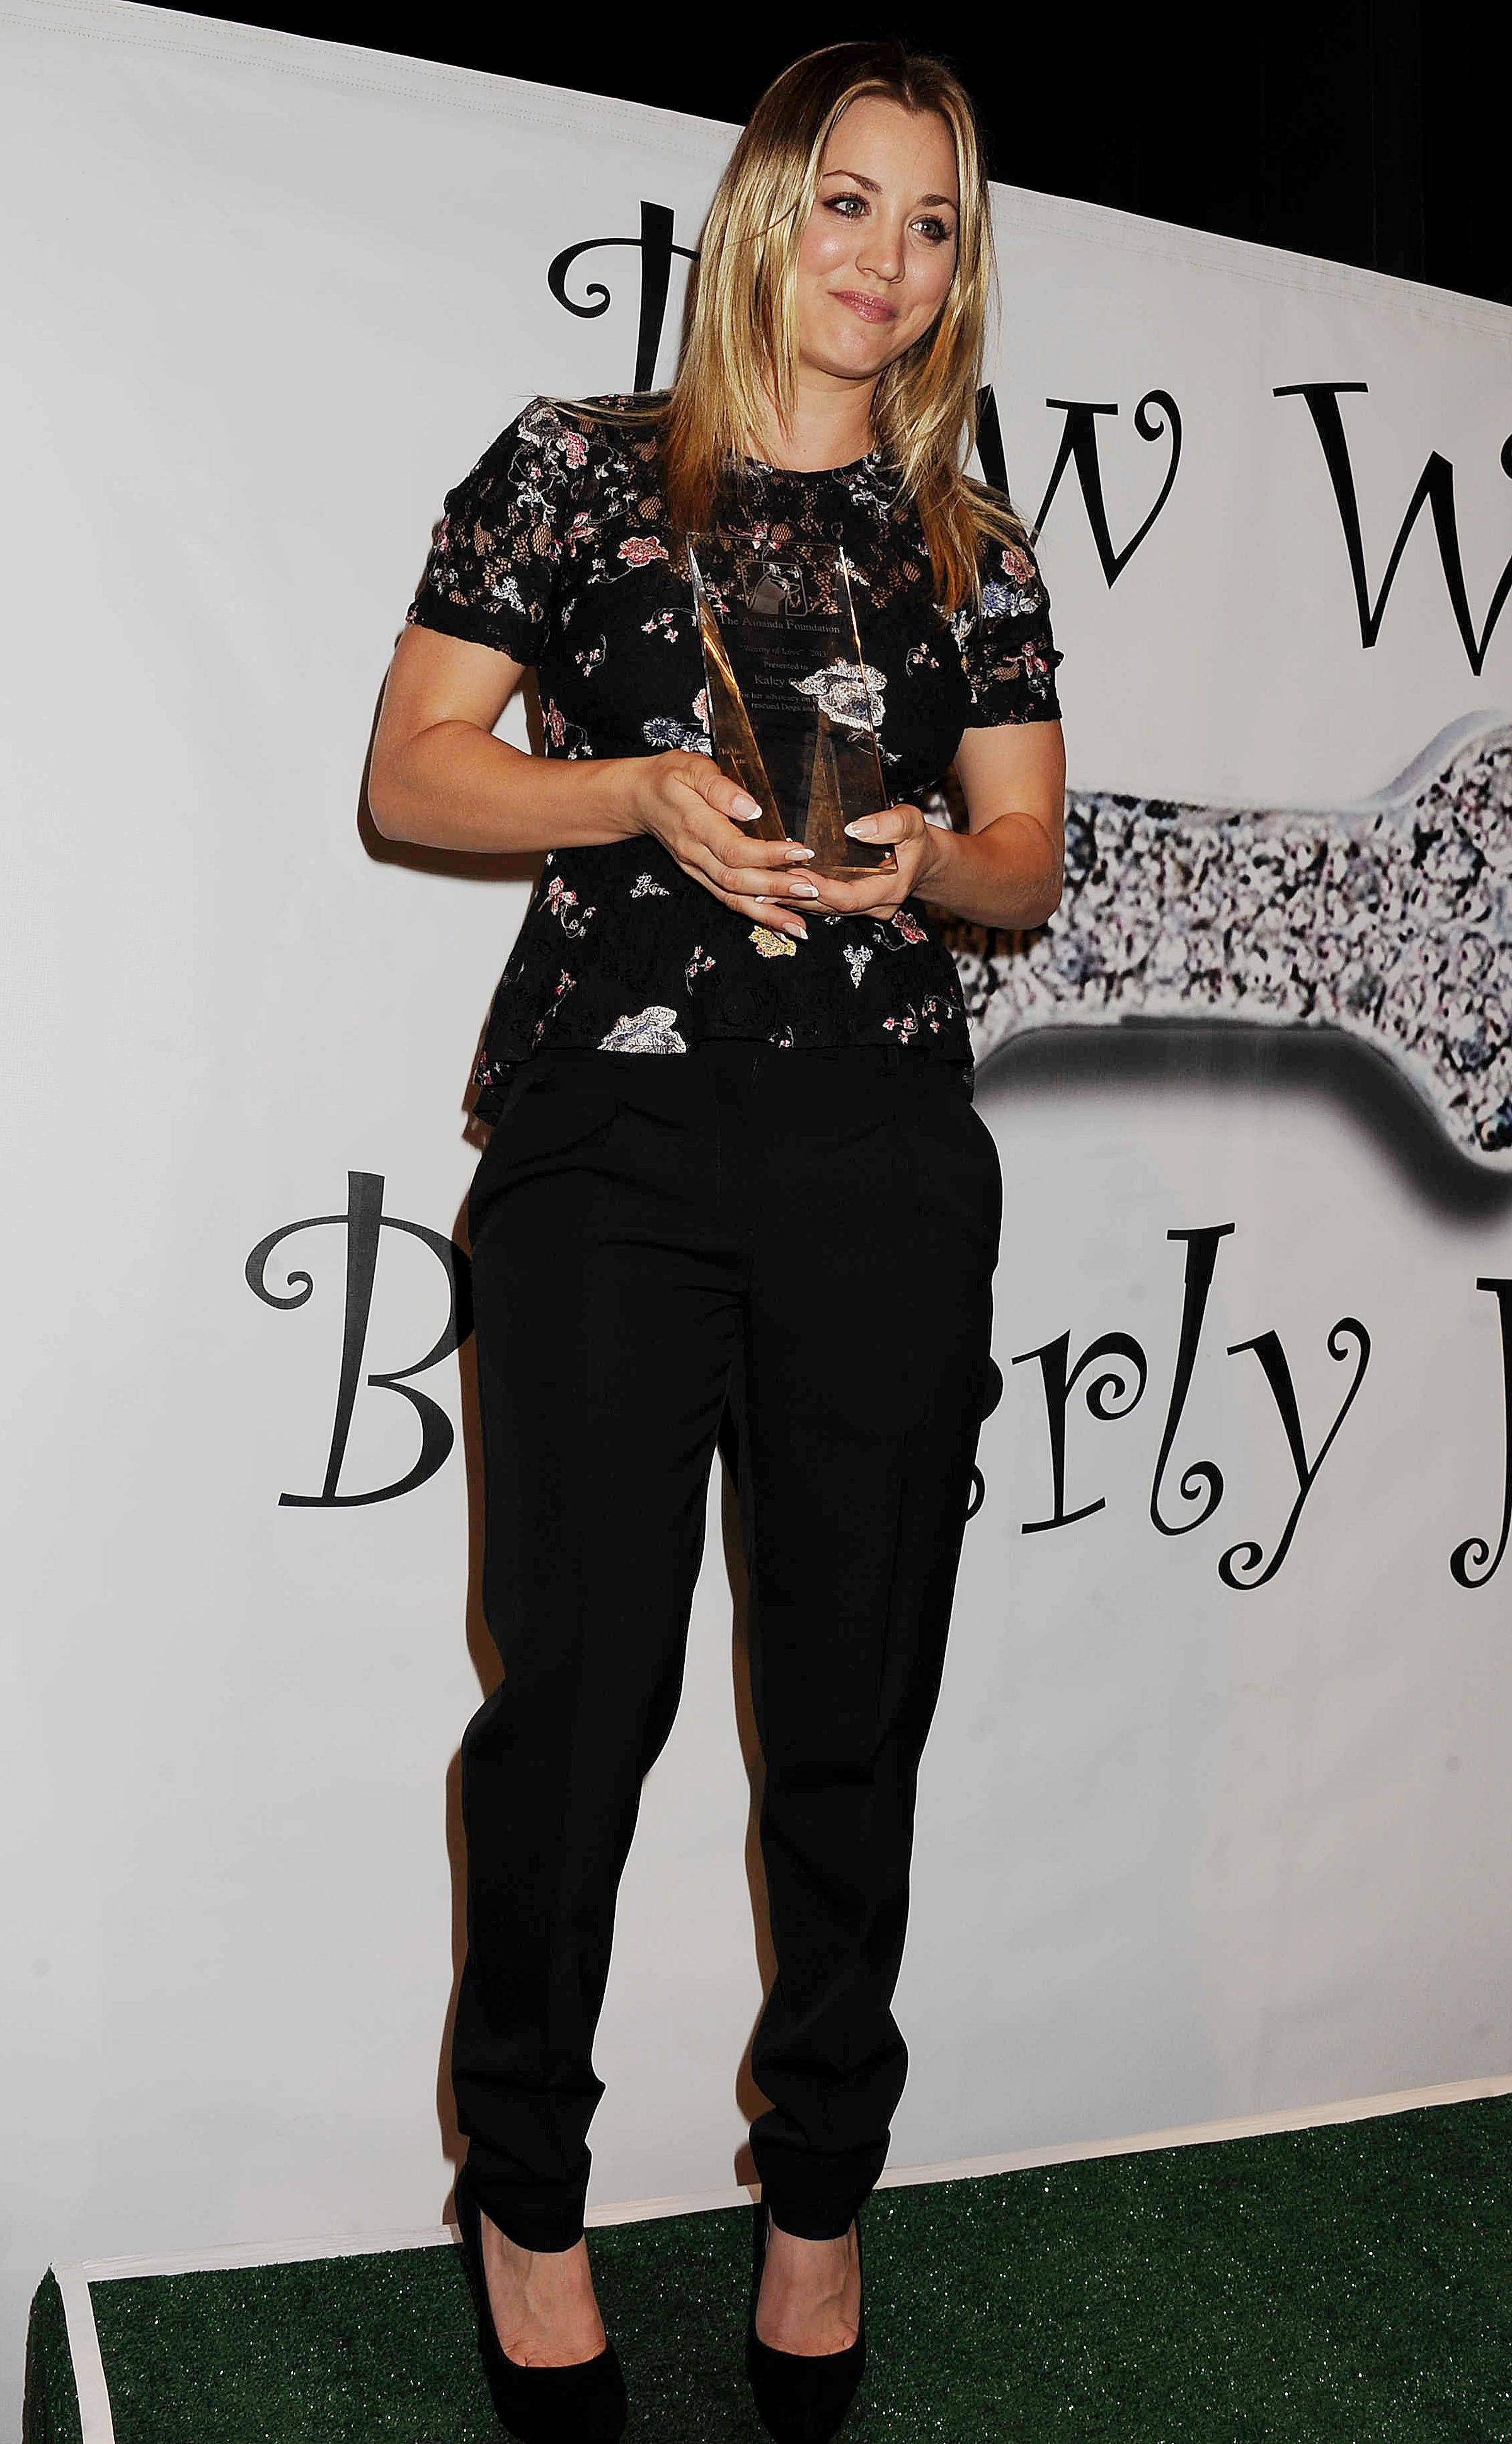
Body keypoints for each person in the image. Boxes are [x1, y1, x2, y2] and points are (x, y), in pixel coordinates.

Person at [368, 38, 1065, 2443]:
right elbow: (412, 772)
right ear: (770, 207)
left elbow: (1026, 856)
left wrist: (930, 864)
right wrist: (638, 797)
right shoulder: (576, 469)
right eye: (853, 200)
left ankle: (820, 2194)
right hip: (612, 1149)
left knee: (853, 1705)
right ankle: (526, 2201)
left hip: (883, 1159)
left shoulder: (972, 549)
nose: (890, 259)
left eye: (936, 223)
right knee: (576, 1699)